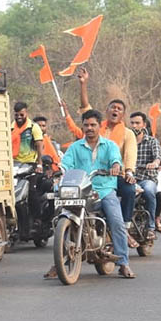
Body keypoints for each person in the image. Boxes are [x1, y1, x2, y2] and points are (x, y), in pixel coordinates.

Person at [56, 109, 134, 278]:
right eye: (86, 125)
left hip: (104, 189)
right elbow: (66, 163)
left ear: (100, 126)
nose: (89, 128)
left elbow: (115, 159)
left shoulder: (110, 145)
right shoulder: (75, 147)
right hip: (81, 189)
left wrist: (115, 166)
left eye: (93, 125)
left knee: (116, 221)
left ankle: (123, 263)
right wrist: (58, 170)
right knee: (61, 215)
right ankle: (60, 261)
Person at [78, 69, 138, 246]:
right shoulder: (97, 127)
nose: (116, 110)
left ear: (122, 115)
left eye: (119, 109)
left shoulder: (127, 134)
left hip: (113, 176)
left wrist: (128, 171)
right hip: (90, 174)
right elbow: (85, 108)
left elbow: (130, 154)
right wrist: (83, 84)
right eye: (113, 107)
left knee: (129, 190)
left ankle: (124, 229)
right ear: (106, 111)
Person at [129, 111, 161, 235]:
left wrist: (154, 163)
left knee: (149, 191)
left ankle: (150, 227)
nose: (134, 126)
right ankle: (124, 225)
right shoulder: (126, 141)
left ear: (144, 125)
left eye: (137, 123)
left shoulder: (152, 141)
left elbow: (158, 156)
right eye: (132, 123)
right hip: (129, 178)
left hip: (146, 178)